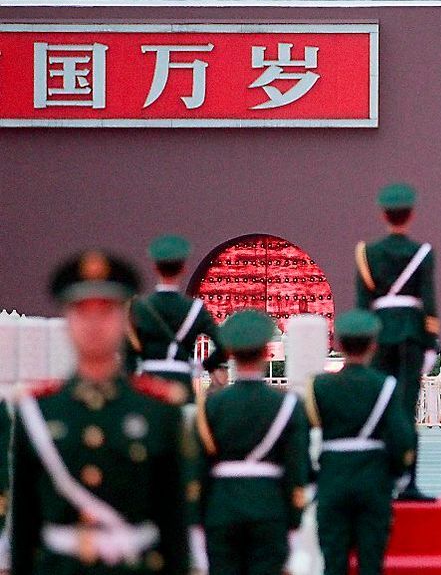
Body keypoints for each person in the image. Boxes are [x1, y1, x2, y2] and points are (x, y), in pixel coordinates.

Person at [11, 250, 189, 575]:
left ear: (124, 320)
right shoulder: (37, 409)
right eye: (82, 311)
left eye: (106, 311)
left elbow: (174, 525)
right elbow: (24, 526)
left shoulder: (158, 409)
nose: (94, 324)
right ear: (67, 320)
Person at [195, 309, 309, 575]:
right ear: (265, 352)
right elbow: (295, 468)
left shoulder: (211, 406)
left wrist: (198, 520)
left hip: (221, 509)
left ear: (231, 353)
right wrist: (294, 523)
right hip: (269, 508)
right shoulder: (287, 405)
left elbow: (199, 469)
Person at [306, 309, 415, 575]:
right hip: (373, 480)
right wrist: (398, 475)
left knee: (333, 562)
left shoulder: (319, 386)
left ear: (339, 345)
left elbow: (298, 436)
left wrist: (312, 478)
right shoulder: (385, 385)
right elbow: (402, 438)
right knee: (371, 562)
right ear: (374, 346)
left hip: (332, 478)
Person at [355, 182, 439, 501]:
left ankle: (384, 477)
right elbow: (428, 301)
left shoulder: (367, 254)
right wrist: (431, 342)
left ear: (383, 215)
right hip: (410, 336)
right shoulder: (422, 253)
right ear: (411, 215)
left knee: (379, 407)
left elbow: (364, 304)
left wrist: (364, 343)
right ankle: (409, 479)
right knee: (406, 408)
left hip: (377, 336)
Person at [126, 234, 228, 401]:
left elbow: (128, 354)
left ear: (155, 267)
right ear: (183, 268)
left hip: (149, 384)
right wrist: (202, 366)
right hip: (182, 383)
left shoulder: (139, 307)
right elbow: (223, 345)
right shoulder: (195, 309)